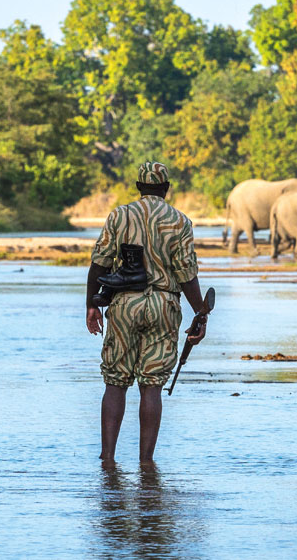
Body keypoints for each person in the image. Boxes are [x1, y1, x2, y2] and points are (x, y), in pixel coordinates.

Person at [85, 161, 206, 464]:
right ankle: (145, 461)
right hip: (164, 306)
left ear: (139, 188)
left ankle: (108, 458)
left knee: (115, 382)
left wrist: (91, 304)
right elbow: (186, 273)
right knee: (151, 386)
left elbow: (99, 263)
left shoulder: (119, 215)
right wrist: (200, 314)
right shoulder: (180, 221)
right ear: (166, 189)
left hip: (124, 304)